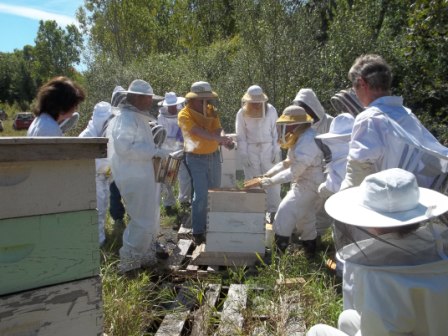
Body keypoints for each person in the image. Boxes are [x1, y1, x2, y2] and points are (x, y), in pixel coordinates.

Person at [307, 168, 448, 336]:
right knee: (347, 318)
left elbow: (382, 331)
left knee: (317, 331)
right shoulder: (439, 246)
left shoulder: (375, 272)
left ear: (371, 221)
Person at [340, 54, 448, 190]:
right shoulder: (407, 114)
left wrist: (339, 200)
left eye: (354, 88)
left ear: (362, 83)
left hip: (385, 203)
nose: (355, 93)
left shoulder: (369, 119)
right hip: (416, 199)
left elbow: (356, 175)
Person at [109, 79, 171, 273]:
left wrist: (154, 152)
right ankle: (128, 263)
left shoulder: (136, 117)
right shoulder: (126, 119)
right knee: (141, 220)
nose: (151, 102)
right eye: (148, 98)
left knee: (148, 217)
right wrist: (153, 151)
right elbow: (124, 148)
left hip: (141, 174)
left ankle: (144, 255)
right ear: (136, 97)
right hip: (132, 176)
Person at [258, 105, 324, 256]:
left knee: (284, 212)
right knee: (306, 220)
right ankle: (310, 252)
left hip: (310, 184)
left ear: (295, 124)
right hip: (305, 182)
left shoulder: (308, 139)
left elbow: (295, 170)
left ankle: (278, 257)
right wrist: (268, 174)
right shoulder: (300, 137)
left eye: (287, 125)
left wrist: (270, 182)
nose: (285, 129)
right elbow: (287, 162)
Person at [178, 81, 234, 245]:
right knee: (201, 194)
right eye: (202, 99)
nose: (205, 103)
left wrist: (224, 139)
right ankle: (198, 231)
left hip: (213, 156)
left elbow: (217, 128)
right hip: (195, 158)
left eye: (207, 99)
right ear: (193, 99)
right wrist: (218, 139)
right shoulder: (184, 114)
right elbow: (197, 131)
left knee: (215, 192)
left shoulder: (211, 111)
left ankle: (213, 225)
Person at [235, 85, 281, 224]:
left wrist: (276, 149)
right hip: (251, 150)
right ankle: (255, 212)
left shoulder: (271, 110)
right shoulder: (241, 113)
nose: (255, 104)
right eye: (252, 101)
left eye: (257, 101)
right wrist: (243, 154)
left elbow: (276, 131)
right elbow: (241, 135)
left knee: (272, 180)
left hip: (269, 148)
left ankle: (273, 212)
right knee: (253, 181)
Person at [79, 101, 113, 246]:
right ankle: (97, 243)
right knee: (95, 211)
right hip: (90, 180)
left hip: (103, 179)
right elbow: (88, 163)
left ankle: (100, 238)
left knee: (103, 209)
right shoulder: (86, 136)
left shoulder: (107, 132)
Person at [157, 92, 192, 223]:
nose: (172, 108)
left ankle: (184, 200)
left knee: (184, 176)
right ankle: (168, 203)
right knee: (167, 176)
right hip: (166, 146)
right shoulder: (161, 116)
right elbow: (160, 132)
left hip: (180, 144)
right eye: (170, 105)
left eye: (174, 105)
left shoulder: (181, 112)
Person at [108, 86, 127, 237]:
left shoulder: (128, 117)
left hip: (126, 162)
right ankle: (118, 219)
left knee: (128, 192)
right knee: (114, 193)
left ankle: (129, 218)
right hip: (114, 162)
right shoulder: (109, 118)